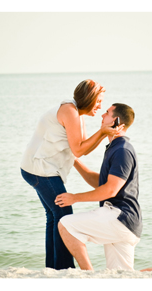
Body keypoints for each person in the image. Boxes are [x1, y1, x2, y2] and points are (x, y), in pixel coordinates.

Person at [20, 79, 118, 270]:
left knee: (54, 215)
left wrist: (102, 133)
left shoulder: (77, 114)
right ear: (88, 99)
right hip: (40, 169)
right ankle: (64, 268)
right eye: (98, 101)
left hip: (40, 168)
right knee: (64, 215)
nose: (100, 106)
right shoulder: (69, 111)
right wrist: (102, 131)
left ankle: (53, 268)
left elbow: (82, 148)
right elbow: (79, 150)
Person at [54, 103, 141, 271]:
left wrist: (75, 198)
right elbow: (100, 182)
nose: (102, 115)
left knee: (65, 225)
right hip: (127, 223)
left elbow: (110, 190)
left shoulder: (122, 150)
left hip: (119, 217)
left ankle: (89, 275)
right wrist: (73, 158)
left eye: (107, 113)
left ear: (115, 121)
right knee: (121, 277)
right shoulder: (116, 148)